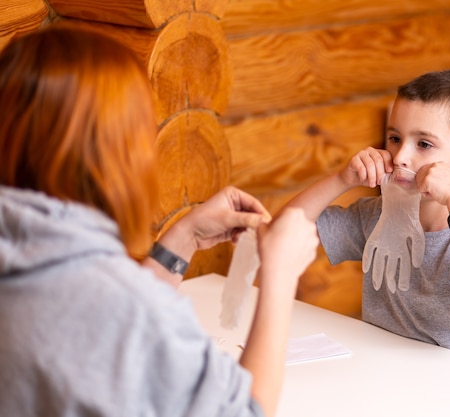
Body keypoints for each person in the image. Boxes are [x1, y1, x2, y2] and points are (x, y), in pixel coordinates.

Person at [0, 24, 318, 417]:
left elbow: (89, 315)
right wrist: (280, 276)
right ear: (115, 152)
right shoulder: (132, 312)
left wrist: (182, 238)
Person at [280, 69, 450, 365]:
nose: (399, 157)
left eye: (423, 144)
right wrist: (342, 178)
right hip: (389, 379)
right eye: (394, 138)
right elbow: (280, 231)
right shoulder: (378, 218)